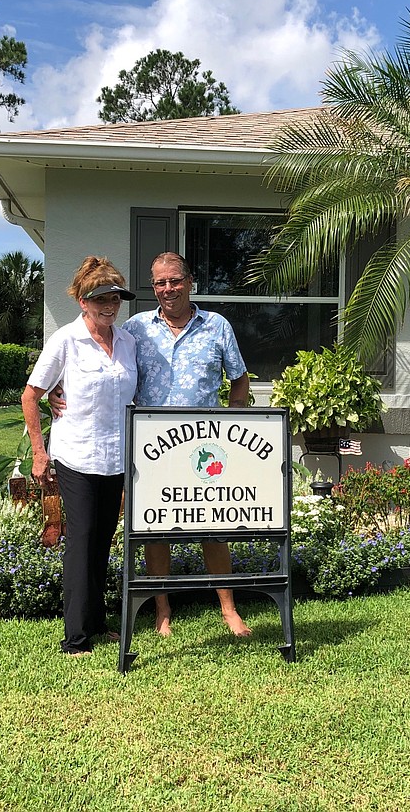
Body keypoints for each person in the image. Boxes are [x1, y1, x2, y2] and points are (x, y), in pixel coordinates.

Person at [122, 251, 252, 638]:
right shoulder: (135, 328)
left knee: (213, 528)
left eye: (174, 280)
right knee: (155, 529)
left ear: (189, 281)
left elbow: (239, 379)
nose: (167, 289)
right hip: (153, 446)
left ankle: (228, 609)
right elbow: (104, 361)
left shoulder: (217, 325)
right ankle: (163, 610)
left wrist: (231, 424)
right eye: (160, 282)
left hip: (205, 448)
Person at [22, 256, 138, 656]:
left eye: (116, 298)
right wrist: (40, 454)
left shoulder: (127, 341)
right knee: (82, 540)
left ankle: (97, 621)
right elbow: (31, 396)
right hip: (77, 456)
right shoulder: (65, 341)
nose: (109, 305)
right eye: (101, 298)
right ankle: (75, 638)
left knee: (102, 541)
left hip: (116, 458)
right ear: (82, 301)